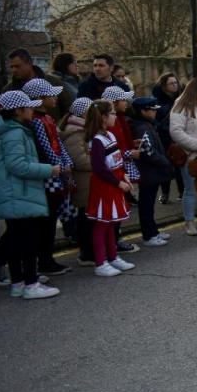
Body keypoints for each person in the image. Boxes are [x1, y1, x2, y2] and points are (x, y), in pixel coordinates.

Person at [0, 91, 62, 298]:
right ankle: (30, 284)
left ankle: (19, 282)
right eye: (28, 107)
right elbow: (17, 165)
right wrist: (48, 170)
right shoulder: (15, 133)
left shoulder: (8, 130)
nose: (31, 110)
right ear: (18, 111)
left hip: (12, 192)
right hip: (17, 192)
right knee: (27, 240)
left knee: (17, 239)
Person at [21, 79, 74, 276]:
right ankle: (44, 261)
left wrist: (67, 162)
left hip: (57, 172)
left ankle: (46, 260)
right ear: (40, 98)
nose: (55, 97)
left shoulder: (48, 119)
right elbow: (46, 149)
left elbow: (59, 143)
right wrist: (61, 166)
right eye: (51, 94)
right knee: (46, 222)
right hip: (50, 176)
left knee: (51, 220)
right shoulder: (36, 121)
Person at [84, 100, 137, 278]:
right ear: (104, 117)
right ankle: (101, 262)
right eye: (112, 113)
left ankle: (113, 256)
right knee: (102, 225)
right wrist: (117, 182)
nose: (115, 116)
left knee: (112, 223)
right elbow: (100, 168)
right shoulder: (96, 140)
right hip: (104, 187)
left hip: (114, 183)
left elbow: (117, 159)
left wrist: (124, 176)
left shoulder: (110, 135)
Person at [170, 78, 197, 236]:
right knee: (191, 191)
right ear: (195, 92)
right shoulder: (181, 107)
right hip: (191, 157)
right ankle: (189, 222)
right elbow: (176, 132)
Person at [128, 97, 173, 247]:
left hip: (152, 171)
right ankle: (149, 234)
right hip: (148, 171)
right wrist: (164, 161)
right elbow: (148, 151)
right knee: (146, 204)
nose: (155, 112)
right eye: (152, 109)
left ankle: (153, 231)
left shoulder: (146, 124)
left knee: (149, 203)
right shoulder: (141, 127)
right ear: (143, 111)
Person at [102, 86, 141, 254]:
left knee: (120, 205)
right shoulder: (112, 123)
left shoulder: (120, 118)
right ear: (115, 102)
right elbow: (111, 148)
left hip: (121, 167)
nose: (126, 103)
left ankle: (115, 239)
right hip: (115, 170)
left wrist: (132, 145)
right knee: (114, 208)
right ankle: (113, 242)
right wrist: (128, 152)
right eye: (123, 100)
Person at [59, 97, 96, 266]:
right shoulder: (75, 132)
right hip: (83, 181)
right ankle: (86, 253)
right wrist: (99, 164)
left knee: (88, 217)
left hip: (87, 180)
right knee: (85, 218)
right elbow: (78, 159)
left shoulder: (81, 129)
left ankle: (90, 250)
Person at [152, 72, 183, 204]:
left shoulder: (181, 98)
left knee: (180, 165)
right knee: (165, 166)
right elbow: (154, 119)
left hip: (178, 135)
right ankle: (165, 193)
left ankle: (182, 191)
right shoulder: (157, 100)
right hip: (164, 137)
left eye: (175, 82)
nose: (174, 85)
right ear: (164, 85)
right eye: (171, 83)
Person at [48, 52, 80, 119]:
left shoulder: (74, 81)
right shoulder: (55, 82)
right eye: (74, 63)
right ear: (66, 64)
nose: (77, 65)